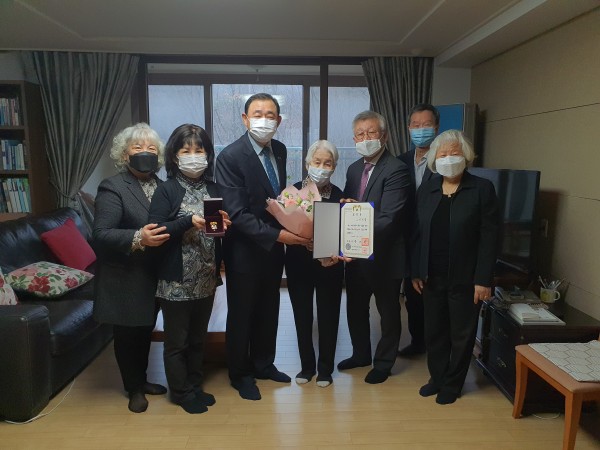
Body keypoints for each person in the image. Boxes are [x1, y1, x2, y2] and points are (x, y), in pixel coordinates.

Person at [216, 93, 310, 401]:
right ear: (245, 119)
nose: (264, 120)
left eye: (271, 115)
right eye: (257, 114)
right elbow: (237, 213)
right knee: (242, 313)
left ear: (279, 121)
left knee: (269, 309)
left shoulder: (279, 150)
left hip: (272, 251)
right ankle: (240, 374)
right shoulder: (230, 157)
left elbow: (276, 199)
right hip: (244, 251)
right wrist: (280, 236)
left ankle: (263, 364)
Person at [411, 129, 499, 405]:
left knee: (461, 334)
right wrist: (415, 271)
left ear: (466, 156)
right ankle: (437, 378)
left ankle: (453, 384)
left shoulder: (482, 189)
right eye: (443, 154)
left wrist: (483, 279)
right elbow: (417, 233)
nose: (449, 158)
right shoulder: (428, 189)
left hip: (466, 278)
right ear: (435, 159)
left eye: (454, 153)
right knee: (434, 332)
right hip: (431, 275)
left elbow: (490, 238)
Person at [148, 124, 230, 414]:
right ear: (175, 156)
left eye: (199, 150)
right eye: (186, 150)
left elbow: (216, 231)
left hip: (206, 277)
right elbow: (157, 230)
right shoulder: (166, 190)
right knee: (177, 343)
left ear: (208, 154)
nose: (194, 156)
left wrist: (224, 225)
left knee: (198, 339)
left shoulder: (214, 188)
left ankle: (195, 386)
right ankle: (181, 393)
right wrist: (187, 221)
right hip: (176, 282)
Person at [93, 123, 170, 413]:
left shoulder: (163, 186)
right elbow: (101, 233)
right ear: (125, 154)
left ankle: (143, 379)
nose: (145, 153)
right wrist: (139, 237)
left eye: (151, 148)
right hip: (125, 274)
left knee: (145, 328)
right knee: (128, 335)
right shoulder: (113, 186)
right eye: (138, 147)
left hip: (153, 274)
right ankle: (134, 388)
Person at [337, 110, 411, 384]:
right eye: (360, 134)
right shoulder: (354, 168)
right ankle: (360, 355)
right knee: (355, 308)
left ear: (385, 136)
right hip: (355, 255)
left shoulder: (396, 169)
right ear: (354, 139)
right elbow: (350, 207)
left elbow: (389, 218)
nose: (365, 138)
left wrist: (352, 236)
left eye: (371, 133)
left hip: (385, 256)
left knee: (388, 312)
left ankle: (383, 363)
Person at [285, 140, 344, 388]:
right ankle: (307, 366)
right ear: (307, 163)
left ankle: (326, 369)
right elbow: (283, 226)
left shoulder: (340, 195)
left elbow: (345, 232)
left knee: (329, 315)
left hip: (330, 265)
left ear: (334, 167)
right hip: (298, 262)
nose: (321, 167)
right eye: (317, 162)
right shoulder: (292, 193)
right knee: (302, 315)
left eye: (327, 163)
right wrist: (301, 239)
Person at [397, 103, 440, 357]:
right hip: (406, 240)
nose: (421, 129)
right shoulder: (401, 161)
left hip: (434, 240)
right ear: (408, 128)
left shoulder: (445, 161)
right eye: (416, 125)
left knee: (432, 297)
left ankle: (436, 347)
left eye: (426, 125)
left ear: (436, 127)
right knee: (412, 297)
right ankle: (417, 342)